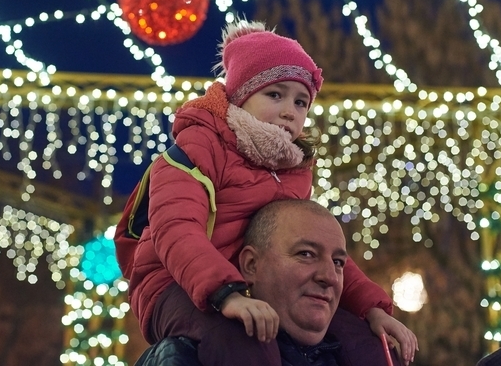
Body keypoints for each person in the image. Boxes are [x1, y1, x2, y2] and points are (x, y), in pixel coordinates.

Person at [127, 20, 417, 366]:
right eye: (274, 94)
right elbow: (176, 231)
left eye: (300, 102)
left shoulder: (291, 170)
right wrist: (226, 294)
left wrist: (372, 308)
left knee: (365, 343)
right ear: (240, 96)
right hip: (175, 282)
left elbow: (320, 247)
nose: (288, 111)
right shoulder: (195, 149)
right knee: (246, 339)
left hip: (255, 281)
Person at [135, 199, 402, 366]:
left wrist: (374, 307)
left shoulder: (371, 350)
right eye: (306, 254)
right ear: (251, 265)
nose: (329, 277)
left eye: (338, 263)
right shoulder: (183, 357)